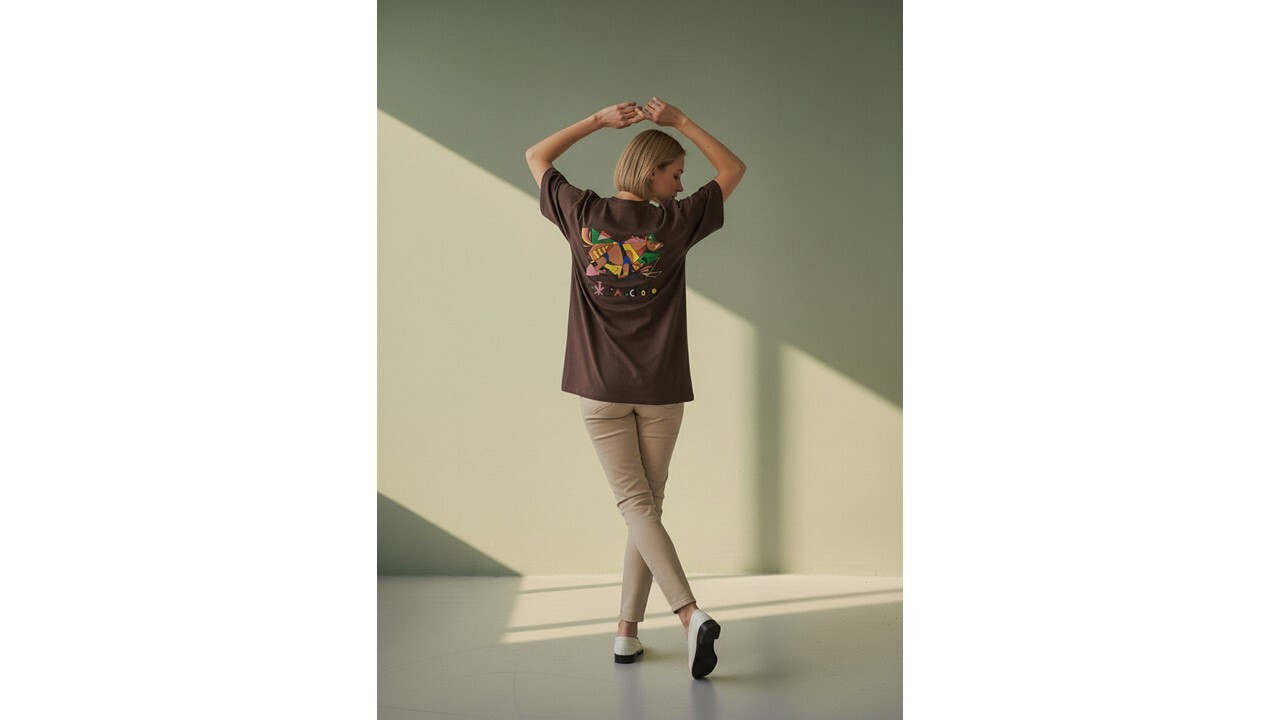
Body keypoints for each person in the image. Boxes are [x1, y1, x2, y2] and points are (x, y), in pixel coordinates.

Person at [525, 97, 746, 679]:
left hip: (599, 387)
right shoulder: (673, 224)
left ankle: (632, 631)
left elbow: (536, 156)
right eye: (675, 174)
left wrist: (597, 121)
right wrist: (681, 122)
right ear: (652, 173)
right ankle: (681, 616)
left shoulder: (582, 213)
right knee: (646, 504)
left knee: (637, 507)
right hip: (660, 390)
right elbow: (733, 169)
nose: (682, 185)